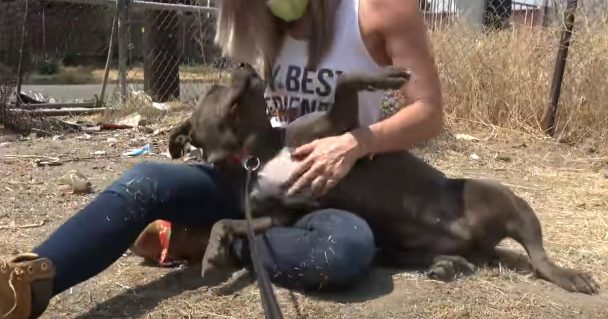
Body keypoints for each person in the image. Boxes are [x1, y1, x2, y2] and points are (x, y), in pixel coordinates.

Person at [0, 0, 443, 318]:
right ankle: (29, 285)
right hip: (258, 176)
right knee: (146, 180)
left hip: (330, 190)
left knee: (346, 248)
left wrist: (355, 143)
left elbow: (428, 113)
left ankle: (222, 241)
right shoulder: (260, 17)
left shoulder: (381, 8)